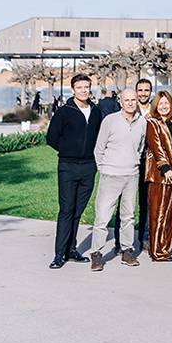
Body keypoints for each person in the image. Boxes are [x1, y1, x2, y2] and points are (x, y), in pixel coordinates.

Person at [46, 73, 103, 269]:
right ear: (73, 90)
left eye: (86, 87)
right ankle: (59, 254)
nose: (84, 91)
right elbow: (51, 138)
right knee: (66, 210)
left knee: (78, 211)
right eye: (79, 87)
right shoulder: (64, 111)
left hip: (89, 167)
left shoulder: (96, 111)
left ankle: (71, 250)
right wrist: (69, 150)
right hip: (68, 167)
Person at [89, 87, 146, 271]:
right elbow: (99, 148)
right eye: (126, 100)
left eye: (133, 100)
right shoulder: (110, 121)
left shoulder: (142, 123)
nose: (130, 103)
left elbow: (140, 148)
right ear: (120, 101)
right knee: (103, 217)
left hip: (131, 175)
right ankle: (96, 253)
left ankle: (127, 250)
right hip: (110, 175)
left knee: (128, 216)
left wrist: (134, 163)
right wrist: (103, 169)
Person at [144, 90, 172, 262]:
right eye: (160, 103)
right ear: (156, 105)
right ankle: (156, 251)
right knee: (158, 213)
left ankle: (166, 248)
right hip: (159, 175)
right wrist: (166, 169)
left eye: (166, 103)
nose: (164, 106)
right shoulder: (152, 123)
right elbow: (156, 147)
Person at [133, 78, 154, 248]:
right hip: (131, 161)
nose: (143, 93)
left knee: (146, 202)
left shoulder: (155, 109)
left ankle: (145, 237)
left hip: (150, 161)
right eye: (140, 90)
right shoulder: (130, 108)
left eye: (146, 90)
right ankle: (120, 242)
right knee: (125, 202)